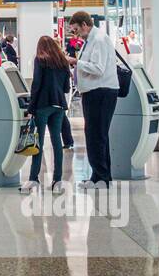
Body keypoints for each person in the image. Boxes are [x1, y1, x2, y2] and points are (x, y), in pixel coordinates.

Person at [67, 11, 117, 187]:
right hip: (94, 92)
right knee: (96, 134)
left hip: (100, 92)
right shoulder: (92, 40)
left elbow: (98, 68)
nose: (76, 34)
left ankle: (102, 177)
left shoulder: (99, 40)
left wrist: (75, 62)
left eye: (76, 29)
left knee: (96, 135)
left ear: (84, 25)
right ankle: (99, 176)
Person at [26, 36, 72, 191]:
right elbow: (66, 88)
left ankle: (33, 179)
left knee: (38, 142)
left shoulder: (40, 60)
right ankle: (57, 181)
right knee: (57, 142)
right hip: (58, 105)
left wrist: (31, 107)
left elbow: (36, 84)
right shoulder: (63, 62)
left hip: (42, 105)